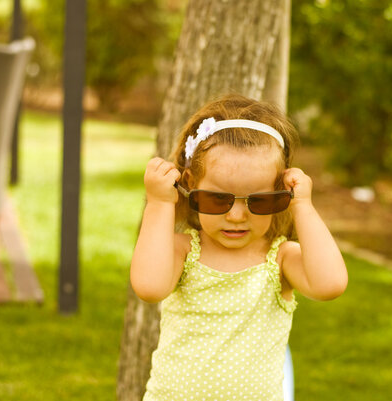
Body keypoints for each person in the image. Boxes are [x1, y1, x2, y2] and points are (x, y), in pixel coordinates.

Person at [131, 94, 348, 401]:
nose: (236, 216)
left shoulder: (280, 258)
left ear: (279, 192)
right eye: (217, 199)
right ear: (190, 183)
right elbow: (149, 286)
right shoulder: (183, 251)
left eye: (258, 201)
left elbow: (331, 284)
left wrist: (303, 206)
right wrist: (159, 203)